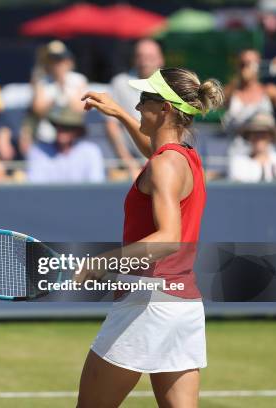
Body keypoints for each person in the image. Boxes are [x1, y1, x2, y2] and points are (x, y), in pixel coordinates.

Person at [77, 68, 224, 407]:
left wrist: (102, 261)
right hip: (182, 305)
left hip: (147, 305)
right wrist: (119, 115)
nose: (138, 106)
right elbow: (157, 154)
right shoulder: (182, 156)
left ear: (166, 109)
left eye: (144, 101)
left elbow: (169, 238)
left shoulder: (164, 165)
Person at [106, 39, 164, 177]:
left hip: (163, 159)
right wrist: (128, 162)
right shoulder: (119, 83)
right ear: (134, 59)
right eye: (140, 56)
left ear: (161, 60)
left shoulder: (171, 84)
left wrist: (165, 159)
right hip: (131, 164)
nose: (144, 62)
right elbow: (111, 125)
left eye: (150, 57)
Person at [30, 40, 88, 144]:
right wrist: (57, 91)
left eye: (60, 60)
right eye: (53, 60)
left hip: (73, 137)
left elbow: (81, 109)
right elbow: (37, 110)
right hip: (46, 136)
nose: (58, 64)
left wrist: (64, 87)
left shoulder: (79, 80)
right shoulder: (41, 82)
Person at [26, 107, 104, 183]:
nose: (62, 131)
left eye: (68, 127)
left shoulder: (90, 152)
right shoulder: (39, 151)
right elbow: (36, 185)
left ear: (77, 131)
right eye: (59, 126)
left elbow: (95, 185)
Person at [229, 112, 276, 182]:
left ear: (271, 136)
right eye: (255, 133)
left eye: (263, 133)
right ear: (249, 136)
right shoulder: (238, 162)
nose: (259, 138)